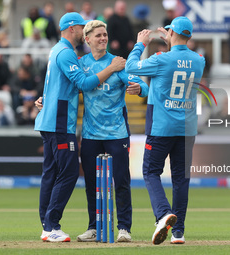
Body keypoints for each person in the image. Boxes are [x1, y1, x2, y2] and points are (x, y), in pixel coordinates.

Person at [34, 12, 126, 242]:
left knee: (51, 174)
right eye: (82, 27)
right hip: (59, 121)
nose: (83, 31)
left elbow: (55, 85)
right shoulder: (66, 53)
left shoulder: (57, 50)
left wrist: (44, 99)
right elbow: (84, 83)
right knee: (69, 173)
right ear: (72, 28)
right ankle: (51, 225)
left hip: (52, 118)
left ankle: (47, 224)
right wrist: (111, 68)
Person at [125, 16, 205, 245]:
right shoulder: (200, 60)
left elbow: (131, 66)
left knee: (150, 172)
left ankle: (162, 214)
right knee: (181, 179)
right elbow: (165, 78)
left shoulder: (160, 59)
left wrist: (141, 43)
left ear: (171, 34)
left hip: (162, 127)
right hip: (187, 128)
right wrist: (172, 39)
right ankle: (178, 233)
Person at [75, 20, 149, 243]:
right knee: (91, 182)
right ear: (87, 39)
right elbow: (74, 85)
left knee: (121, 181)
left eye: (105, 34)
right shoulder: (81, 63)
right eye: (98, 35)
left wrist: (139, 89)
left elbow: (143, 86)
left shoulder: (119, 63)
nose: (103, 38)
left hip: (116, 132)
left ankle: (124, 228)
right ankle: (94, 227)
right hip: (89, 133)